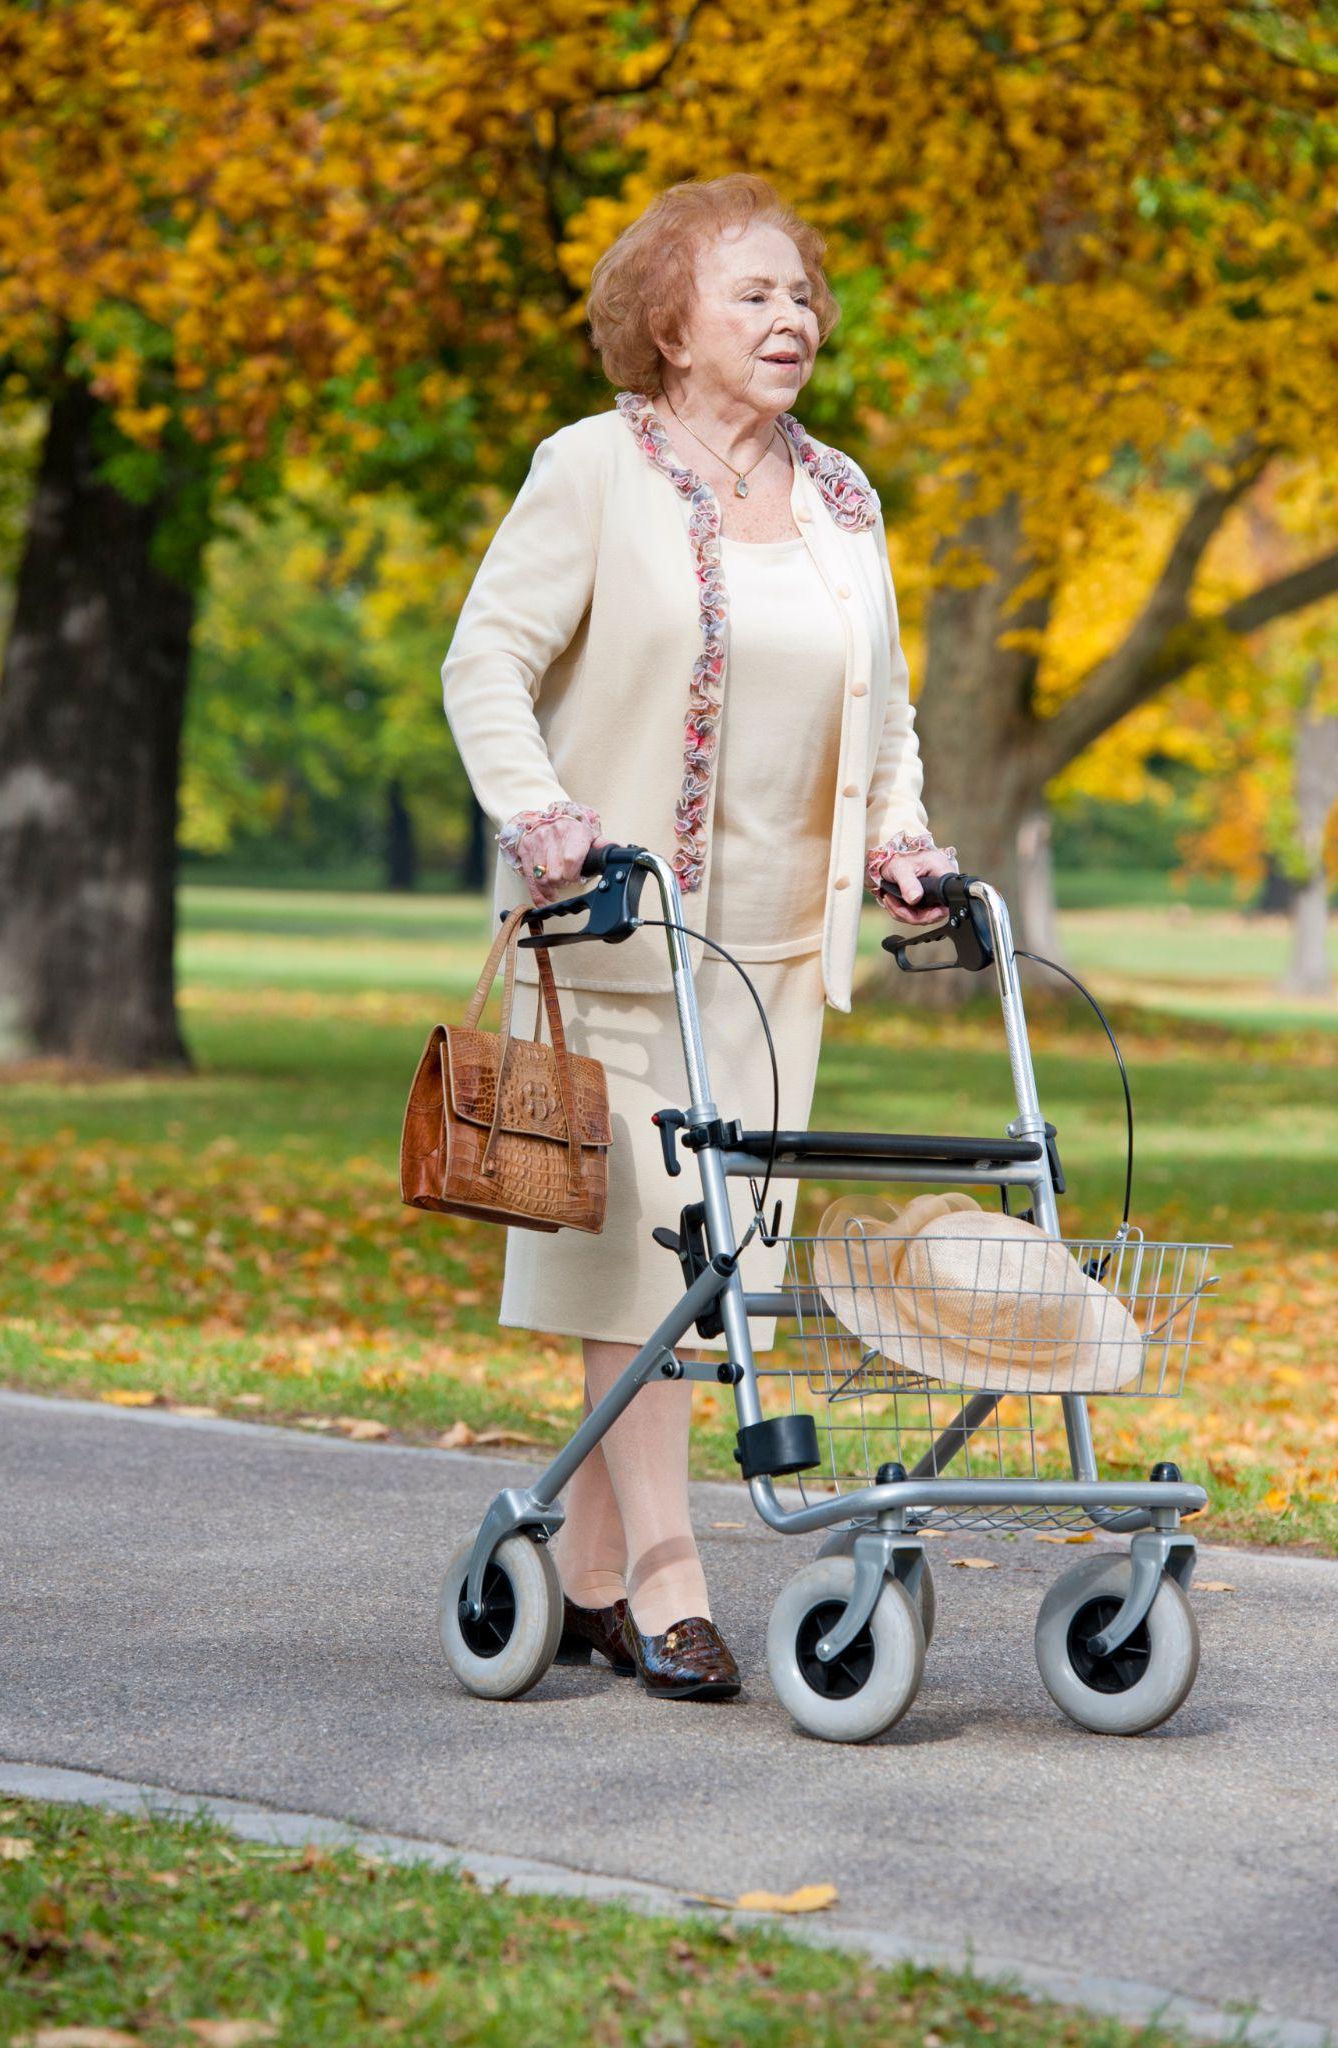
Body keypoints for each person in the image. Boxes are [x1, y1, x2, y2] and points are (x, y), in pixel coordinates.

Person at [441, 172, 959, 1702]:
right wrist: (536, 814)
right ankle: (672, 1579)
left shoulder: (844, 494)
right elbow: (489, 659)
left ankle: (587, 1581)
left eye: (801, 294)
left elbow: (887, 715)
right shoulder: (594, 469)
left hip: (775, 958)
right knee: (657, 1254)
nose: (790, 318)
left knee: (704, 1262)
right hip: (621, 931)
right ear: (668, 324)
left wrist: (898, 841)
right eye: (753, 295)